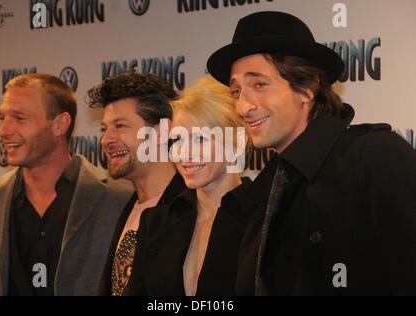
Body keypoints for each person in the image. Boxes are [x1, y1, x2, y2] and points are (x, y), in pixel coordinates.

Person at [206, 11, 416, 295]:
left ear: (307, 87)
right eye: (236, 91)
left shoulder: (376, 156)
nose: (243, 106)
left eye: (259, 85)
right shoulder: (261, 192)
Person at [0, 73, 132, 296]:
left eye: (19, 118)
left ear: (60, 125)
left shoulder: (117, 201)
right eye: (2, 118)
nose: (3, 131)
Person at [125, 75, 254, 296]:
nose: (184, 153)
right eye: (178, 140)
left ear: (237, 143)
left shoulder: (263, 219)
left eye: (200, 139)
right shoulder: (155, 222)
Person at [86, 72, 186, 296]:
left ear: (161, 131)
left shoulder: (191, 210)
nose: (106, 140)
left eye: (120, 126)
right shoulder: (125, 208)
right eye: (103, 129)